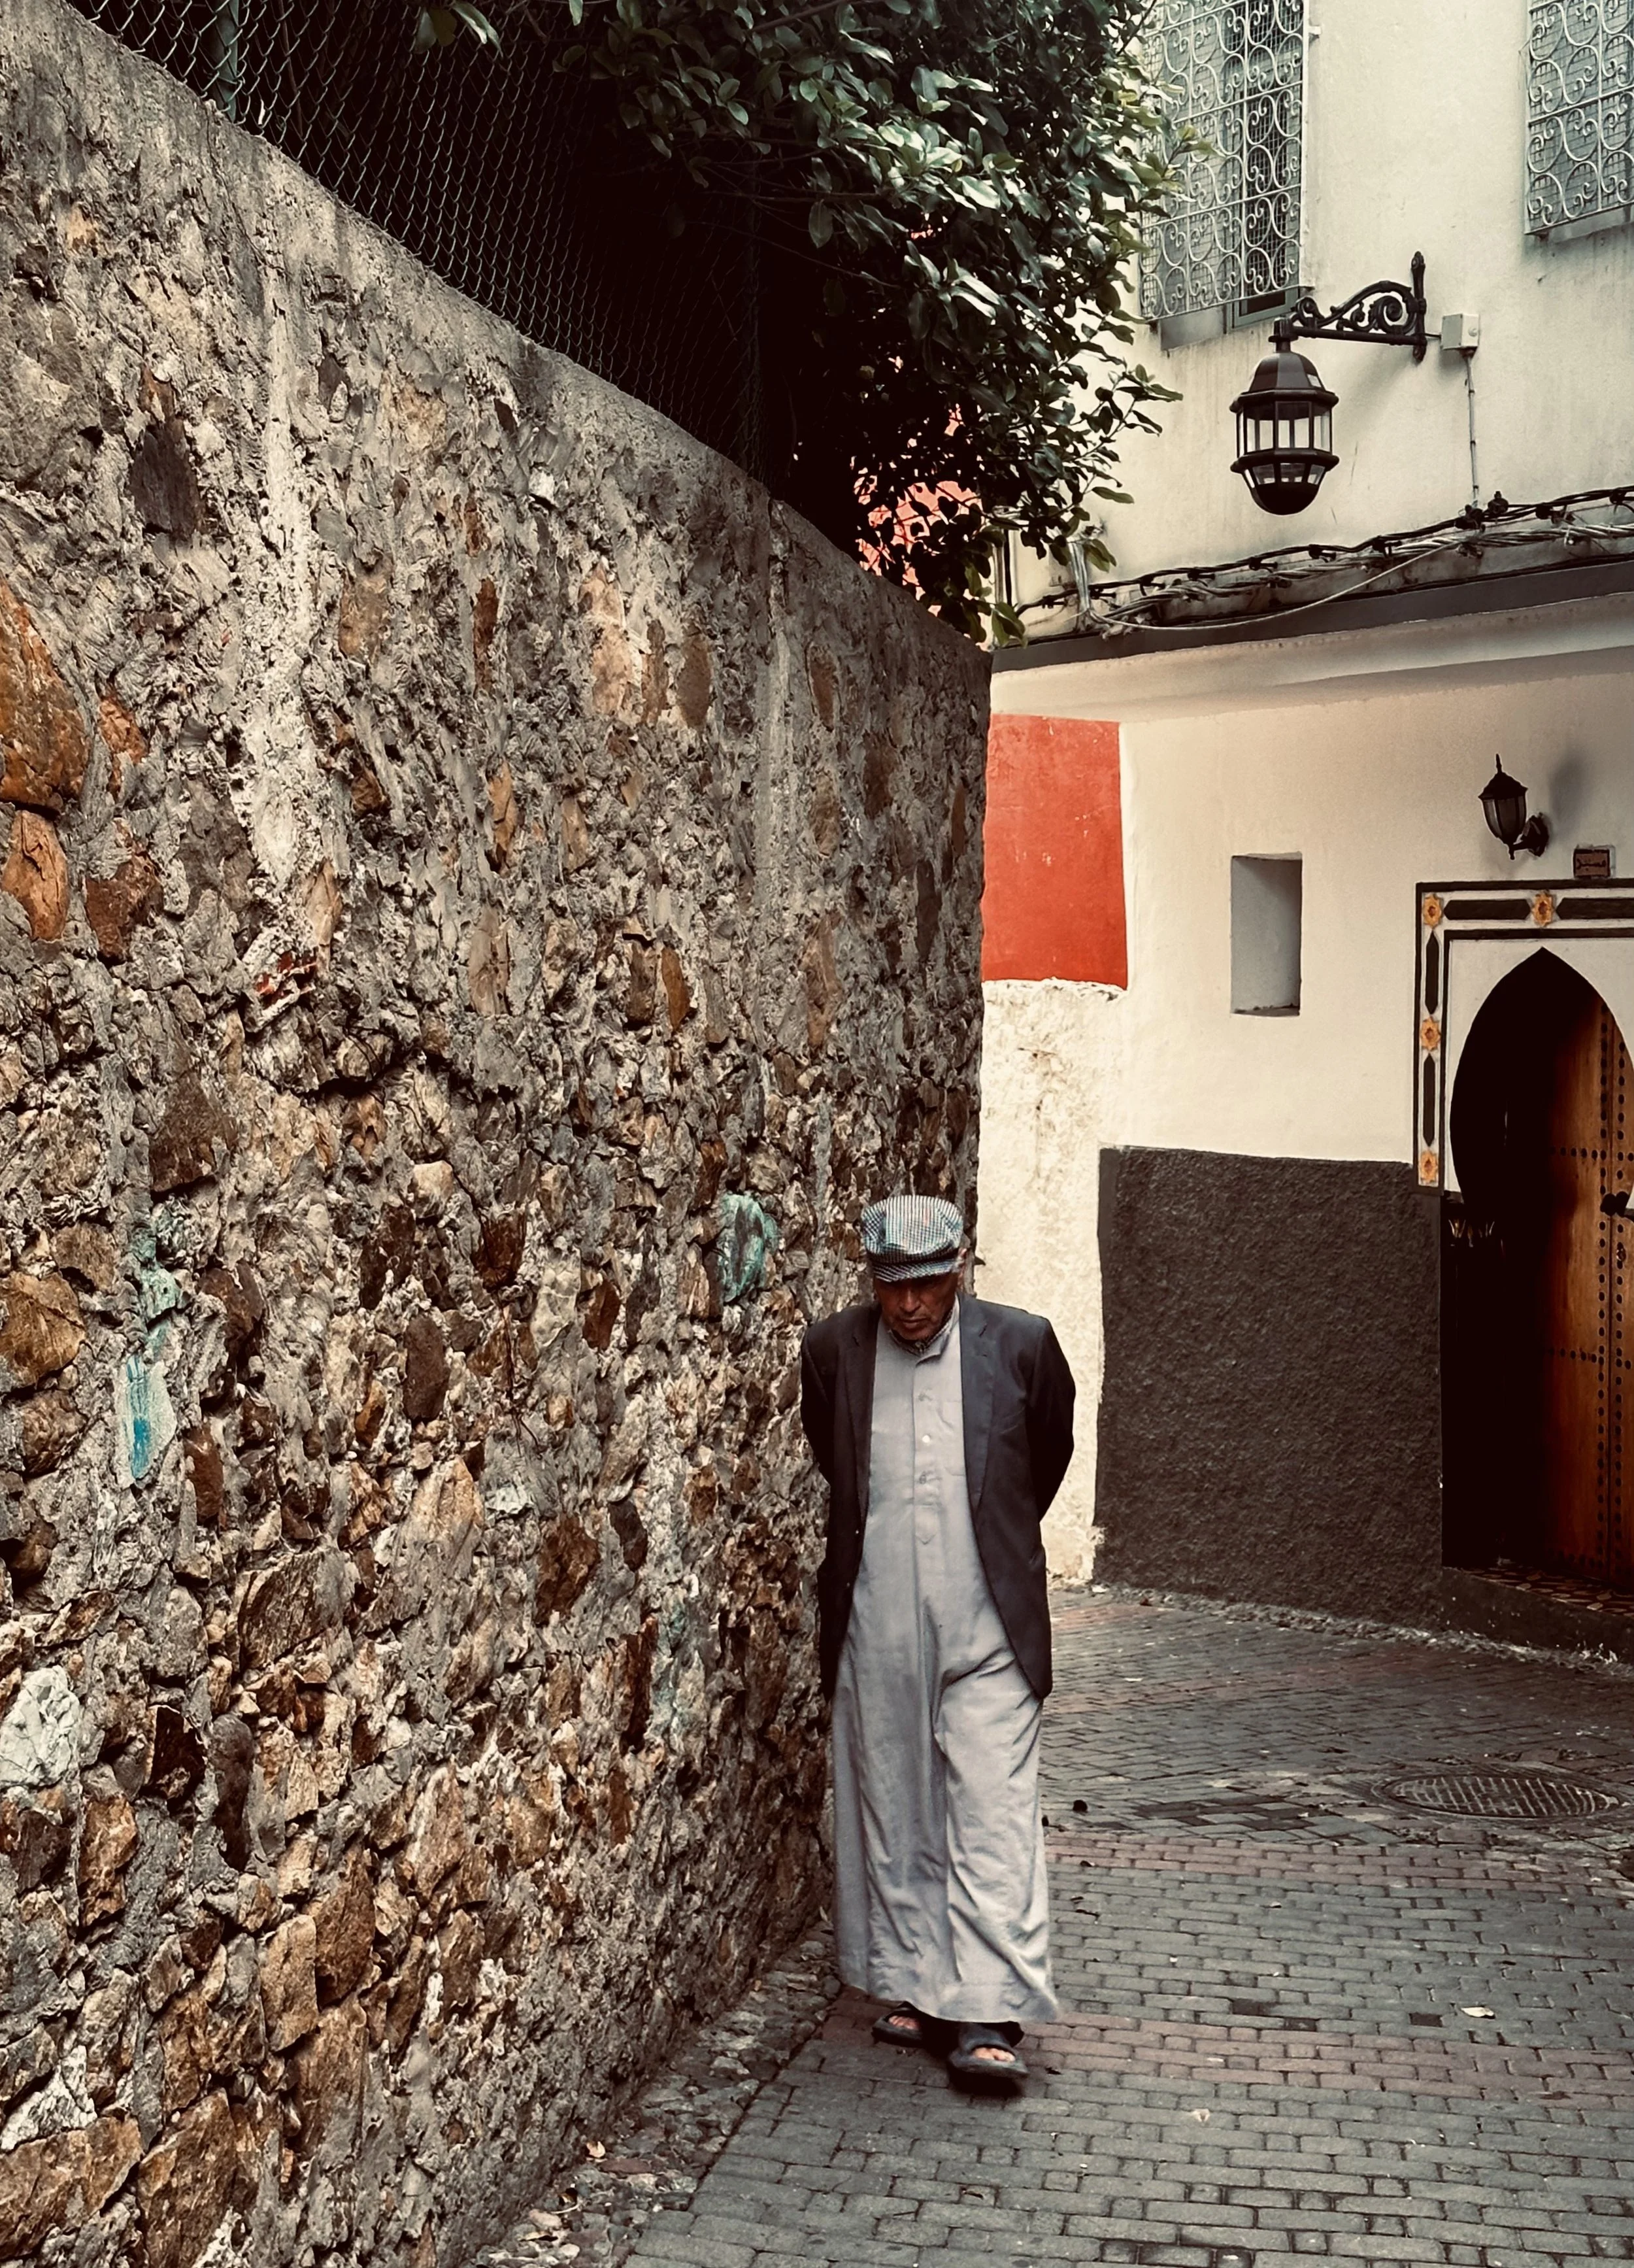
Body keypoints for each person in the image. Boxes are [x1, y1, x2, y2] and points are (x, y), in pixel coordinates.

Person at [799, 1194, 1076, 2088]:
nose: (910, 1304)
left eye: (926, 1282)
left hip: (988, 1618)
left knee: (991, 1810)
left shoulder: (1022, 1345)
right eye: (892, 1285)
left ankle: (988, 2010)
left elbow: (1048, 1450)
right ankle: (920, 1987)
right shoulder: (834, 1351)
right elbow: (834, 1460)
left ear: (961, 1266)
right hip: (878, 1615)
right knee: (898, 1802)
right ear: (871, 1280)